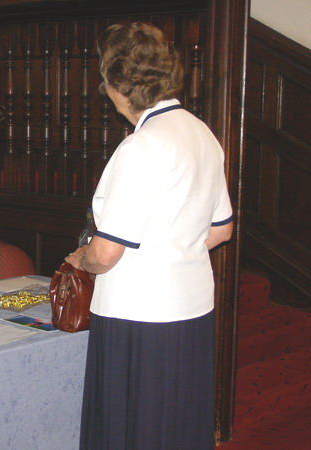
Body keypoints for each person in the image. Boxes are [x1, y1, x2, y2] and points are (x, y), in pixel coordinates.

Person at [65, 23, 233, 449]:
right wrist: (172, 249)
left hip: (137, 315)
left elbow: (105, 253)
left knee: (131, 427)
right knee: (175, 422)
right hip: (191, 307)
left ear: (117, 85)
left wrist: (80, 258)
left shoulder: (141, 147)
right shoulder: (203, 135)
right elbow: (221, 229)